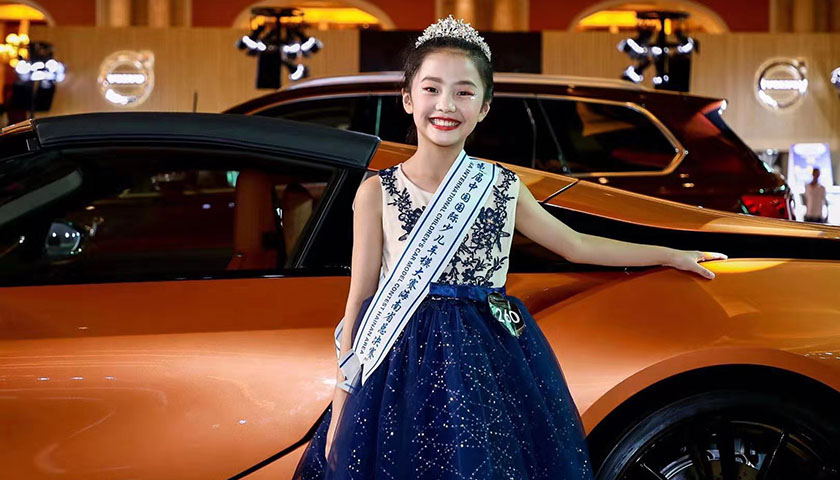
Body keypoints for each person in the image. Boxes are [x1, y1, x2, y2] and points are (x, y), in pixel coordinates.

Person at [292, 15, 727, 480]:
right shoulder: (376, 192)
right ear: (407, 98)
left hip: (487, 359)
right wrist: (343, 396)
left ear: (484, 107)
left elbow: (575, 245)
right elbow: (361, 297)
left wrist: (668, 253)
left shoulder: (500, 186)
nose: (446, 105)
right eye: (432, 88)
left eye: (464, 92)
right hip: (401, 360)